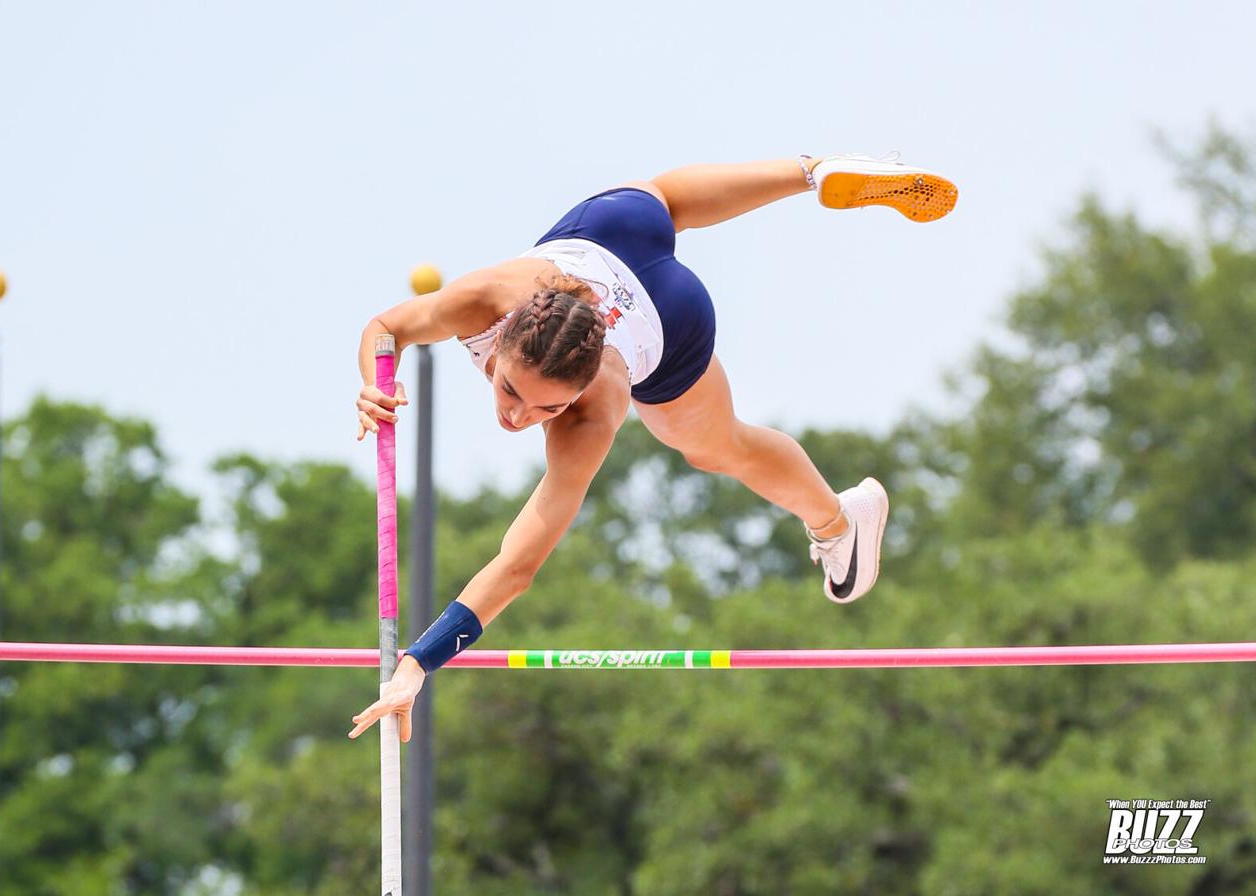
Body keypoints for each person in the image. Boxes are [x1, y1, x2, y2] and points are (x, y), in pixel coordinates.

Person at [348, 153, 957, 740]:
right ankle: (812, 170)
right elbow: (386, 330)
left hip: (668, 317)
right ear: (502, 334)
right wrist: (376, 383)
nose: (517, 416)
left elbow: (518, 564)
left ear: (581, 392)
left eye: (547, 407)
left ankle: (839, 521)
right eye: (509, 388)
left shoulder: (593, 416)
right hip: (612, 230)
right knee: (661, 201)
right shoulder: (480, 298)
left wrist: (419, 662)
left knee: (718, 448)